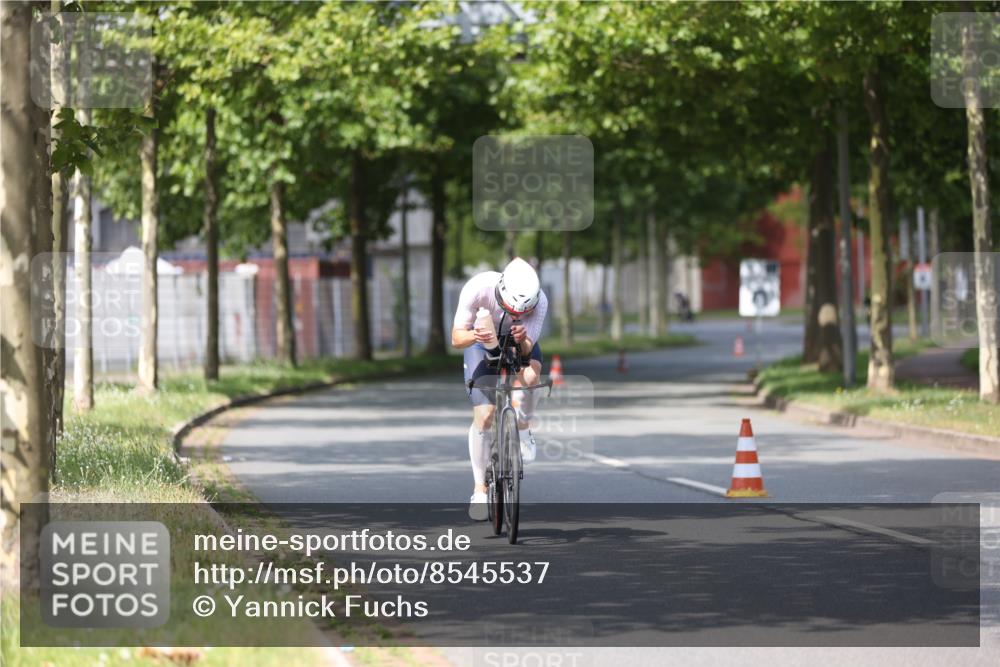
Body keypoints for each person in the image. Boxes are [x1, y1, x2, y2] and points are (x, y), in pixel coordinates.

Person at [451, 257, 548, 520]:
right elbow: (456, 338)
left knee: (530, 378)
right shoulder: (478, 288)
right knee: (485, 415)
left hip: (519, 340)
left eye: (522, 313)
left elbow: (527, 352)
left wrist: (523, 339)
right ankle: (480, 488)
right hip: (480, 341)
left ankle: (525, 427)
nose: (517, 315)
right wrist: (477, 335)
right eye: (511, 310)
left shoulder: (540, 302)